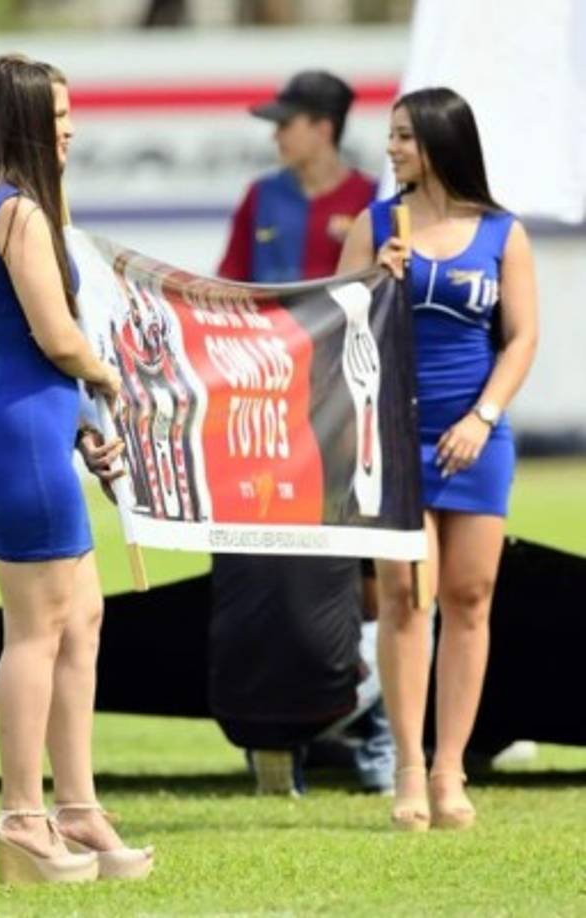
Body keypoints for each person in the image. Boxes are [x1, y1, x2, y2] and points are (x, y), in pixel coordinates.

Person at [0, 54, 153, 883]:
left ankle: (76, 806)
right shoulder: (20, 213)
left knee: (82, 621)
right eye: (58, 114)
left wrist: (80, 426)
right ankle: (24, 815)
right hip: (22, 446)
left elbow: (35, 359)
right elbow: (58, 339)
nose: (70, 127)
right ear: (25, 120)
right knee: (36, 634)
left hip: (34, 434)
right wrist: (113, 379)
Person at [338, 86, 538, 830]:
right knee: (402, 594)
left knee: (470, 598)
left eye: (403, 137)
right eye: (389, 136)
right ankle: (408, 770)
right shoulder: (376, 224)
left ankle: (453, 767)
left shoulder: (501, 232)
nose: (391, 148)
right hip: (393, 437)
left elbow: (520, 338)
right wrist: (371, 284)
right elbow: (336, 324)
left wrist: (484, 418)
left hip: (476, 439)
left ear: (441, 142)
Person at [211, 70, 394, 796]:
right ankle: (277, 731)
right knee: (270, 565)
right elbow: (225, 290)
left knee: (367, 573)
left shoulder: (373, 203)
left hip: (352, 416)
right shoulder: (261, 198)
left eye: (286, 121)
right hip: (271, 417)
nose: (275, 133)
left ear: (323, 127)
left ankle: (371, 720)